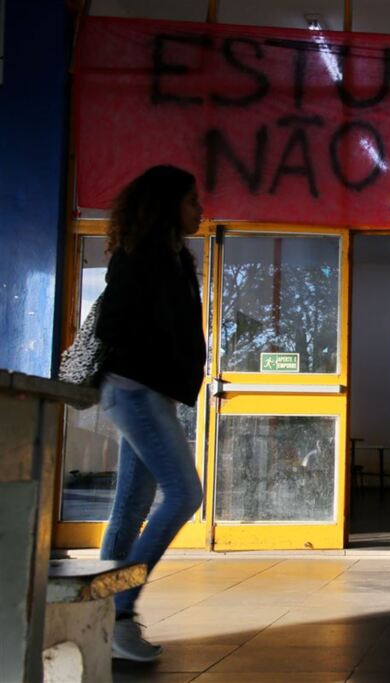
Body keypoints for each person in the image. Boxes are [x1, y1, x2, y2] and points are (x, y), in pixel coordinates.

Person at [95, 165, 206, 662]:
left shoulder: (176, 259)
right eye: (191, 202)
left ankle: (107, 619)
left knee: (131, 509)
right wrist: (161, 358)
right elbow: (115, 324)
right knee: (185, 495)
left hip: (150, 393)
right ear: (167, 206)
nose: (199, 210)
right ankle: (116, 604)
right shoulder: (139, 257)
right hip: (134, 390)